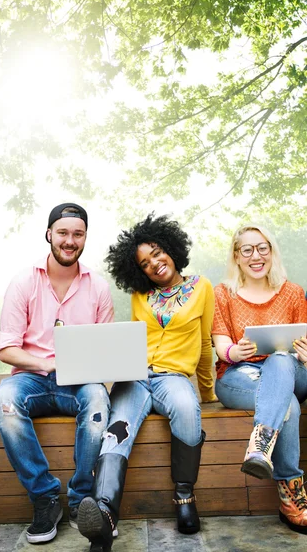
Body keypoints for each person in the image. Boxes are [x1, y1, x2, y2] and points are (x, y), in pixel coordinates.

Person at [78, 213, 216, 552]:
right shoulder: (141, 296)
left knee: (186, 407)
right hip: (137, 378)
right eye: (144, 263)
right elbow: (133, 340)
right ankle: (105, 512)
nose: (154, 264)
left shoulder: (202, 287)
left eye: (157, 253)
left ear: (170, 249)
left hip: (173, 377)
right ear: (138, 271)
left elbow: (203, 344)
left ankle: (184, 496)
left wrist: (208, 390)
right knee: (117, 428)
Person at [0, 203, 114, 545]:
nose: (69, 240)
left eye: (77, 234)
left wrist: (96, 366)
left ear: (85, 238)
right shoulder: (23, 282)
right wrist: (47, 364)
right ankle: (45, 498)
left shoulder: (99, 288)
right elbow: (6, 350)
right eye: (62, 233)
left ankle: (81, 500)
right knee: (4, 399)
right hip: (31, 377)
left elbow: (104, 349)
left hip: (77, 382)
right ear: (49, 234)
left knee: (97, 398)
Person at [212, 224, 307, 534]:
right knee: (286, 402)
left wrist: (305, 353)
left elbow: (302, 341)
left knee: (281, 358)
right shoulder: (223, 293)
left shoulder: (292, 292)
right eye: (248, 250)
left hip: (292, 371)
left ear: (272, 251)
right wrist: (235, 353)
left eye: (263, 247)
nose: (256, 256)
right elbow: (221, 343)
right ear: (237, 257)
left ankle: (260, 446)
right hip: (239, 376)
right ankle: (292, 497)